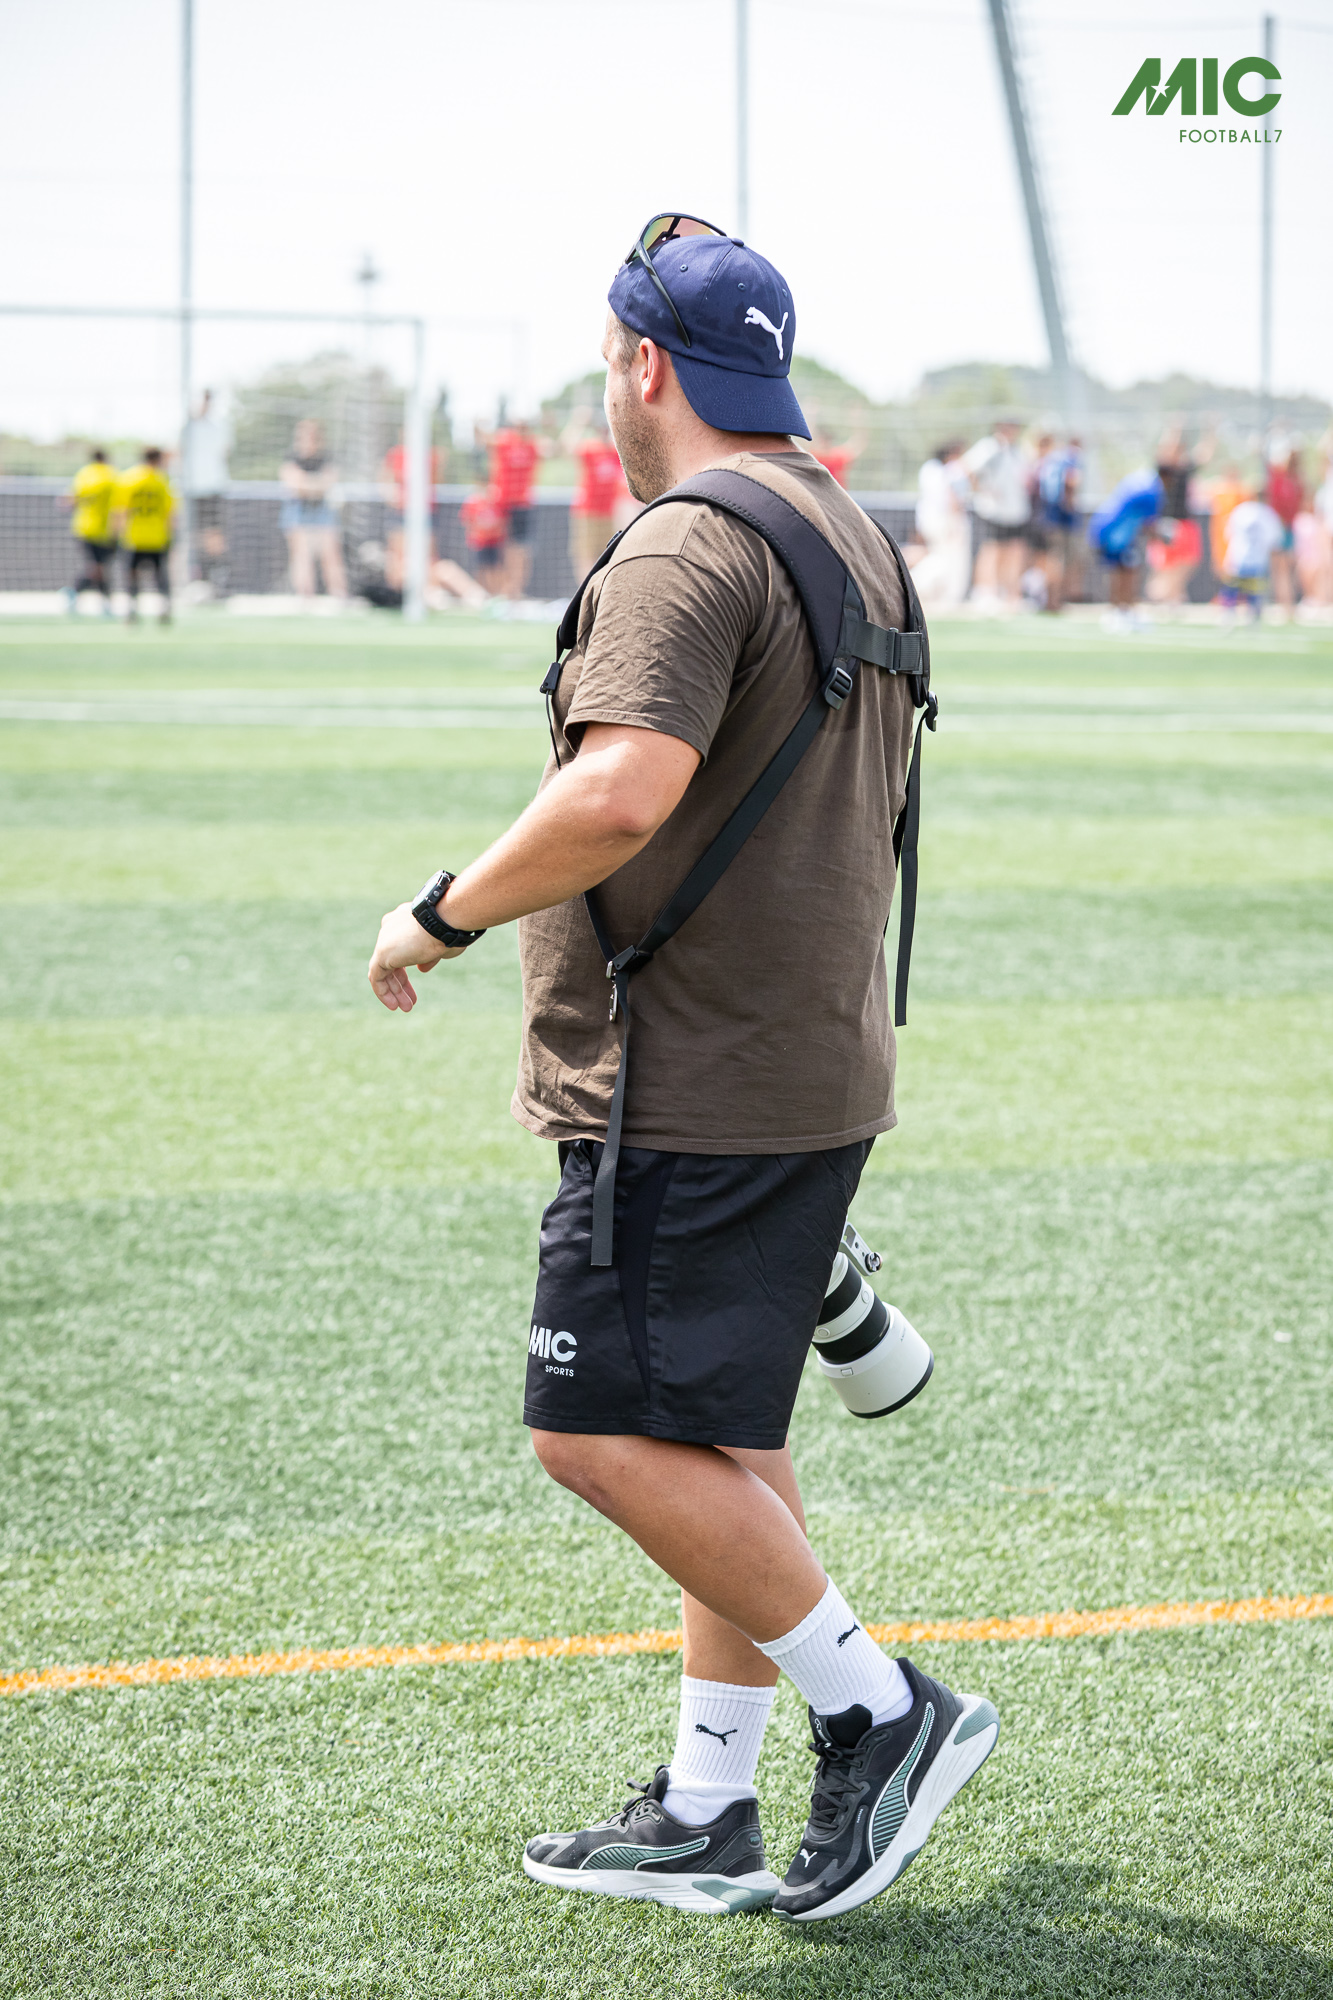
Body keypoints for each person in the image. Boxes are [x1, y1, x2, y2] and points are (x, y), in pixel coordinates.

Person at [368, 214, 998, 1923]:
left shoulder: (683, 545)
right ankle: (708, 1806)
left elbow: (620, 789)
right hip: (806, 1065)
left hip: (689, 1084)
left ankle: (879, 1711)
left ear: (642, 363)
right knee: (719, 1441)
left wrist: (439, 914)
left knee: (590, 1433)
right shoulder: (852, 531)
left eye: (606, 360)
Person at [961, 418, 1030, 608]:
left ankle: (1008, 593)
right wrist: (983, 490)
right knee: (991, 550)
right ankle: (985, 591)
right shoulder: (988, 447)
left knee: (1013, 551)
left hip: (1015, 512)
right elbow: (968, 468)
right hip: (993, 510)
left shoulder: (1016, 451)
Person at [476, 417, 546, 599]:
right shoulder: (504, 441)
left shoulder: (533, 445)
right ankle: (498, 590)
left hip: (522, 505)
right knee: (497, 548)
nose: (522, 430)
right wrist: (478, 422)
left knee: (520, 550)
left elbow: (552, 449)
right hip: (501, 504)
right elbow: (483, 439)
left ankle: (515, 589)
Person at [1088, 467, 1164, 632]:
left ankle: (1124, 611)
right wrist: (1165, 535)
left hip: (1113, 532)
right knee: (1124, 572)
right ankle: (1118, 612)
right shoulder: (1151, 490)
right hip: (1113, 534)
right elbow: (1149, 525)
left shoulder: (1143, 483)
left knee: (1126, 571)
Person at [279, 419, 348, 601]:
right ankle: (305, 596)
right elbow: (293, 484)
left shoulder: (326, 457)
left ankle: (339, 595)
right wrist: (314, 485)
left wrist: (307, 485)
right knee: (301, 555)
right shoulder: (292, 457)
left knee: (330, 553)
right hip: (298, 510)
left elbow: (328, 482)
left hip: (322, 509)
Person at [1146, 425, 1209, 612]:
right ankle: (1166, 595)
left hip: (1185, 523)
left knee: (1188, 561)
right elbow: (1165, 449)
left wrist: (1209, 431)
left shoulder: (1184, 470)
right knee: (1166, 564)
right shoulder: (1163, 469)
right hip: (1167, 523)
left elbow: (1204, 455)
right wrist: (1175, 427)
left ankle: (1172, 594)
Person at [561, 408, 628, 580]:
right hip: (587, 512)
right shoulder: (591, 449)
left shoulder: (615, 451)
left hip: (608, 513)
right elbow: (567, 447)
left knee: (606, 554)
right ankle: (584, 590)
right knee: (585, 554)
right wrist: (578, 422)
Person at [113, 447, 176, 624]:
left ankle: (132, 610)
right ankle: (164, 607)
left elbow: (120, 510)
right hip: (157, 537)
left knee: (132, 575)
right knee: (160, 576)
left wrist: (116, 533)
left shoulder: (128, 478)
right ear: (158, 460)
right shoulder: (163, 480)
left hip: (134, 537)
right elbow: (170, 512)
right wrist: (171, 535)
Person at [181, 389, 231, 597]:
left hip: (212, 488)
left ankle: (218, 579)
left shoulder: (220, 426)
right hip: (191, 489)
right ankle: (195, 579)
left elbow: (225, 452)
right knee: (192, 535)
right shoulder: (186, 427)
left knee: (213, 534)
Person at [381, 428, 443, 593]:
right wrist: (391, 495)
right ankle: (399, 593)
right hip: (401, 512)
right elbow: (385, 480)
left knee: (427, 558)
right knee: (398, 557)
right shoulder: (395, 454)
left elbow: (435, 482)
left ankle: (428, 591)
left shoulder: (431, 454)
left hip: (425, 513)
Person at [911, 440, 971, 608]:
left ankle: (922, 588)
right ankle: (920, 586)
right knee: (946, 560)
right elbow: (950, 498)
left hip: (929, 520)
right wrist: (954, 523)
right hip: (945, 521)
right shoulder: (948, 471)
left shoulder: (928, 469)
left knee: (938, 556)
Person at [60, 447, 118, 616]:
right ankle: (77, 593)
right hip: (104, 530)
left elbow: (69, 500)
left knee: (99, 568)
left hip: (83, 528)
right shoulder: (111, 475)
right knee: (98, 568)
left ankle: (100, 601)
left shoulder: (83, 474)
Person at [1032, 434, 1083, 612]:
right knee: (1059, 561)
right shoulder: (1068, 462)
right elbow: (1071, 484)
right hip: (1061, 521)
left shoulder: (1051, 462)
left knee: (1053, 560)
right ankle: (1054, 600)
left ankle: (1051, 599)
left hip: (1048, 520)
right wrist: (1070, 505)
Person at [1219, 486, 1284, 624]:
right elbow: (1275, 540)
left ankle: (1229, 613)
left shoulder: (1241, 510)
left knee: (1234, 587)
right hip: (1257, 559)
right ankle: (1253, 615)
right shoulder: (1268, 513)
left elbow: (1228, 534)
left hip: (1238, 556)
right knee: (1253, 588)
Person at [1265, 442, 1304, 620]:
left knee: (1280, 570)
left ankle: (1285, 605)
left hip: (1280, 528)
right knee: (1287, 569)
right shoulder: (1297, 481)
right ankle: (1288, 605)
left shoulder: (1280, 479)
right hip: (1289, 527)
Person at [459, 486, 508, 595]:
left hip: (494, 542)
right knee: (480, 569)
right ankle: (481, 594)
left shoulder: (496, 503)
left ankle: (496, 593)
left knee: (495, 569)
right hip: (479, 542)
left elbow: (503, 522)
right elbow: (467, 521)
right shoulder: (473, 503)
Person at [811, 423, 868, 489]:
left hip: (821, 491)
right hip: (834, 491)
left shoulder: (814, 455)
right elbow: (858, 445)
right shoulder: (837, 456)